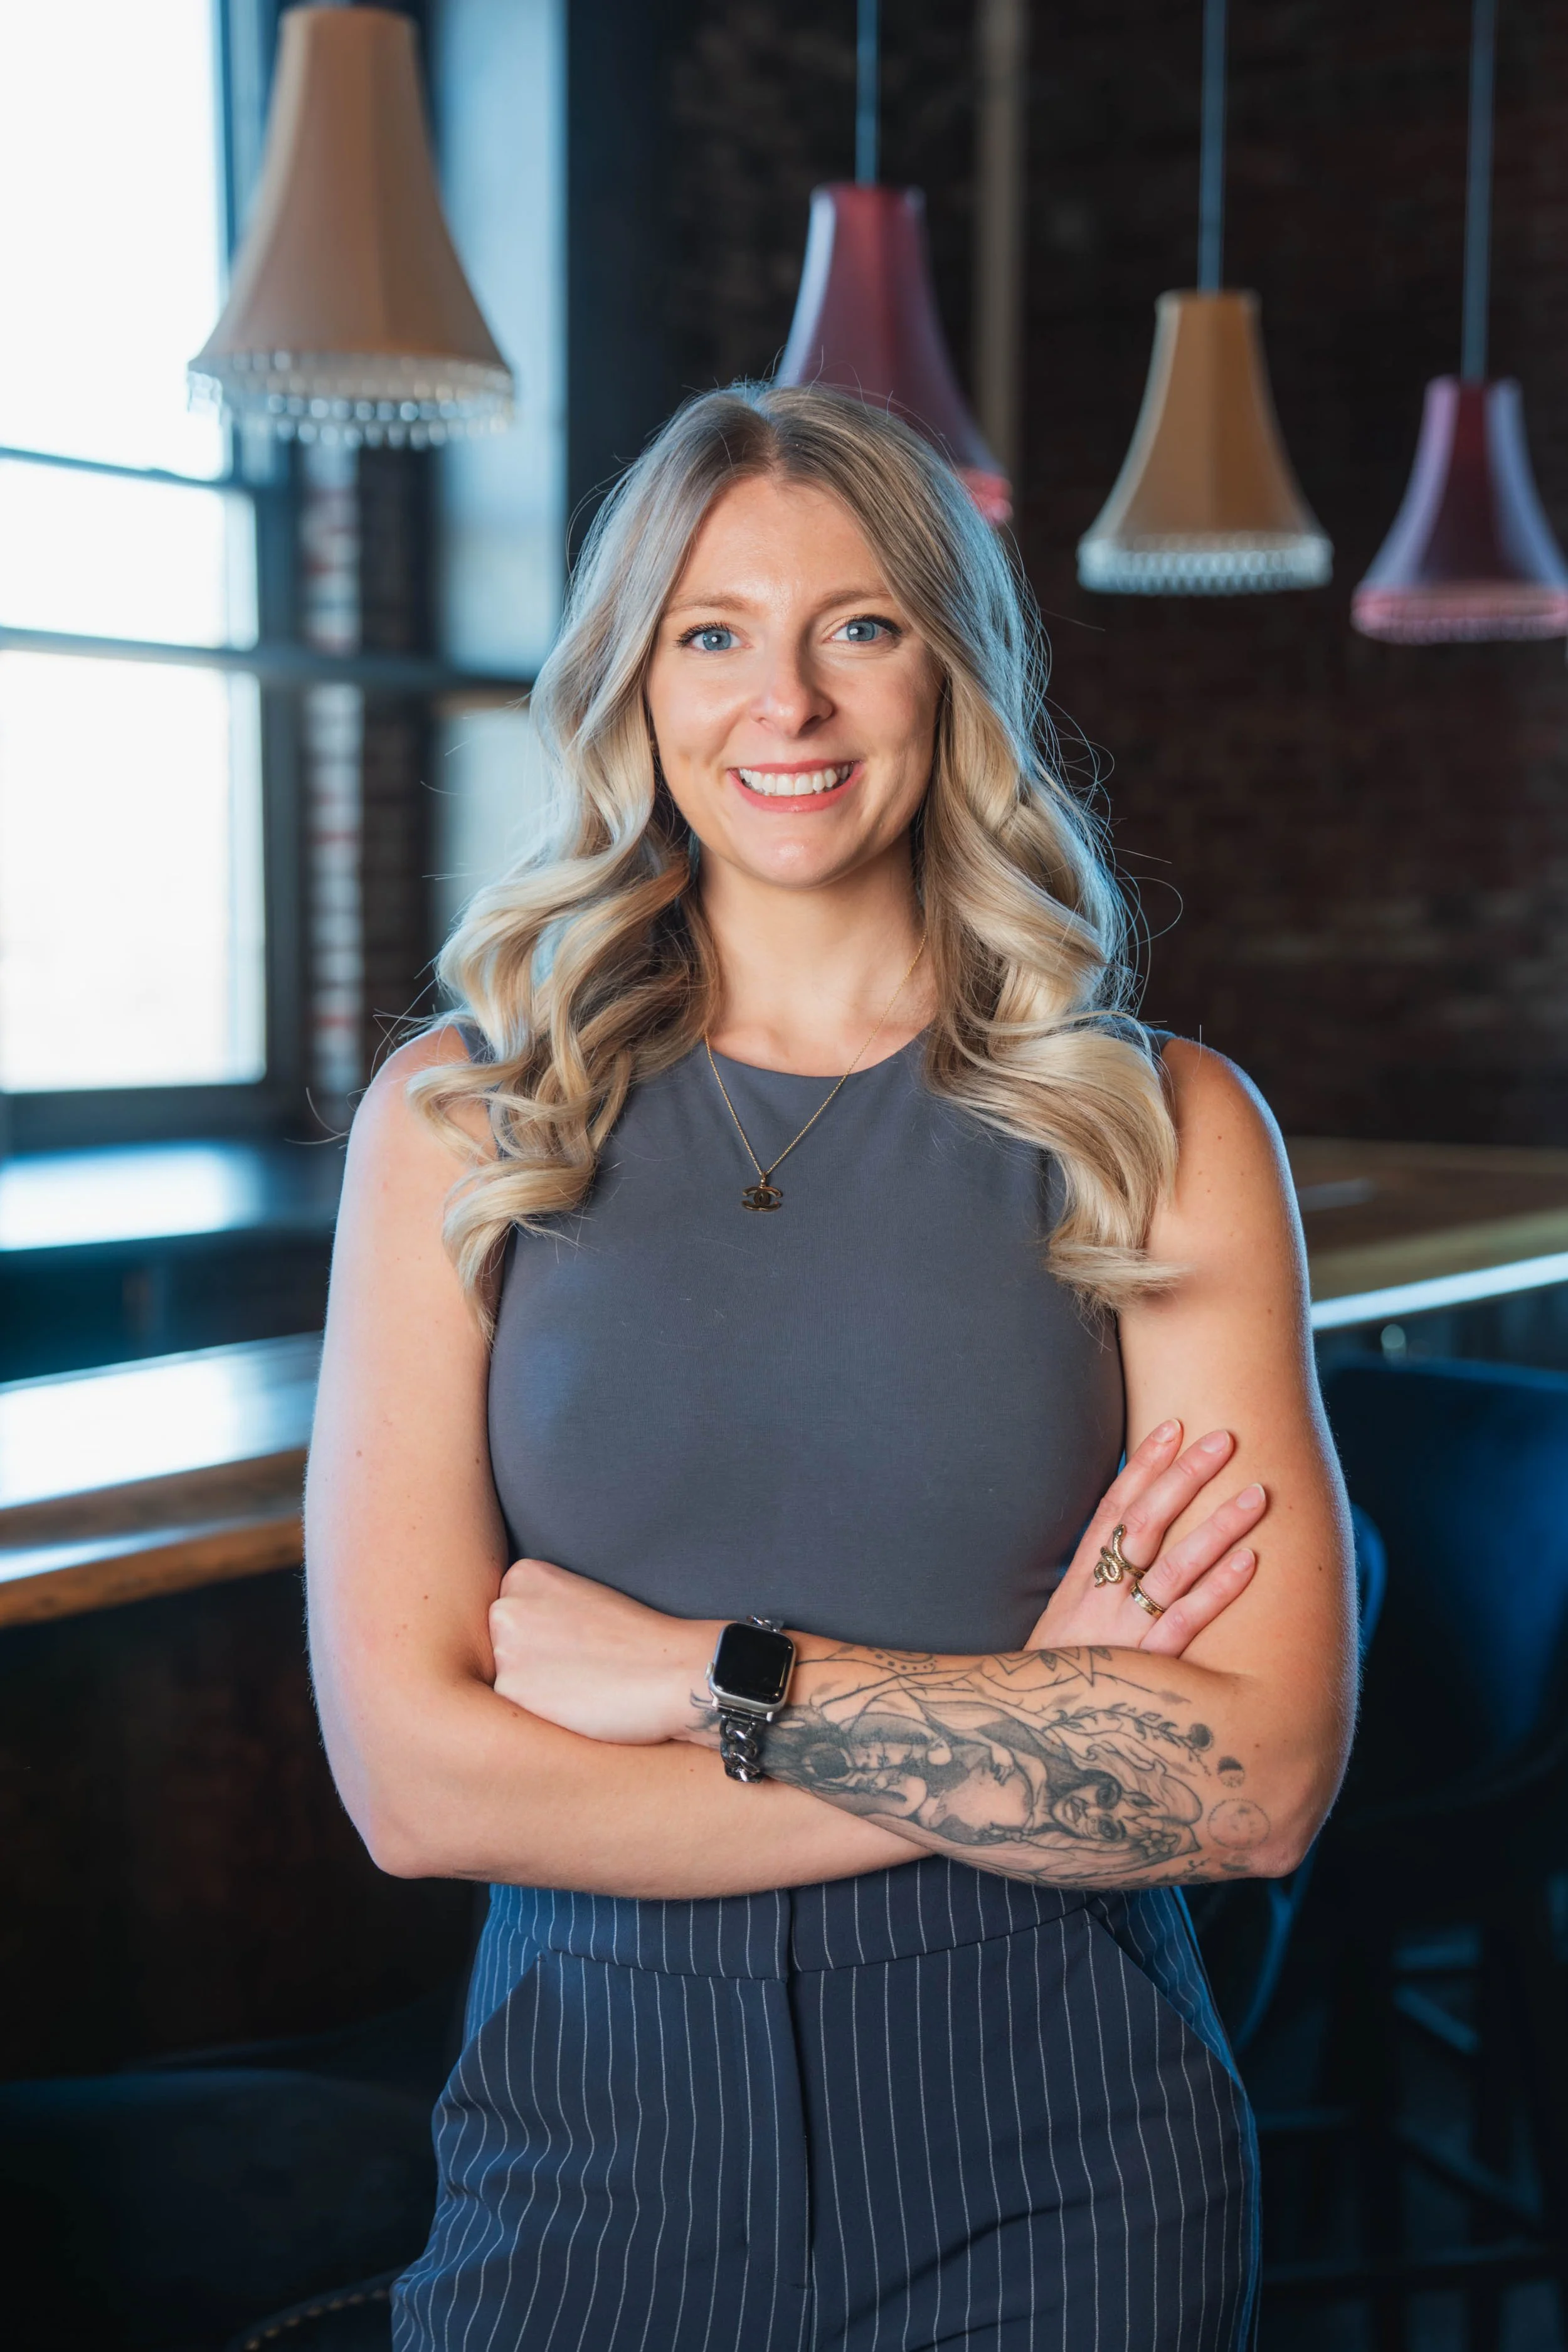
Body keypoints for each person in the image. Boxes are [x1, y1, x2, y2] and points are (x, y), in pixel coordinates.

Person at [306, 383, 1355, 2351]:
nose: (780, 704)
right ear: (634, 686)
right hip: (583, 2135)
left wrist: (709, 1680)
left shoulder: (1156, 1124)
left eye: (856, 627)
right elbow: (418, 1786)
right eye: (711, 634)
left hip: (1060, 2146)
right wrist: (1040, 1725)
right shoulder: (460, 1123)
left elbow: (1252, 1784)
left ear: (949, 675)